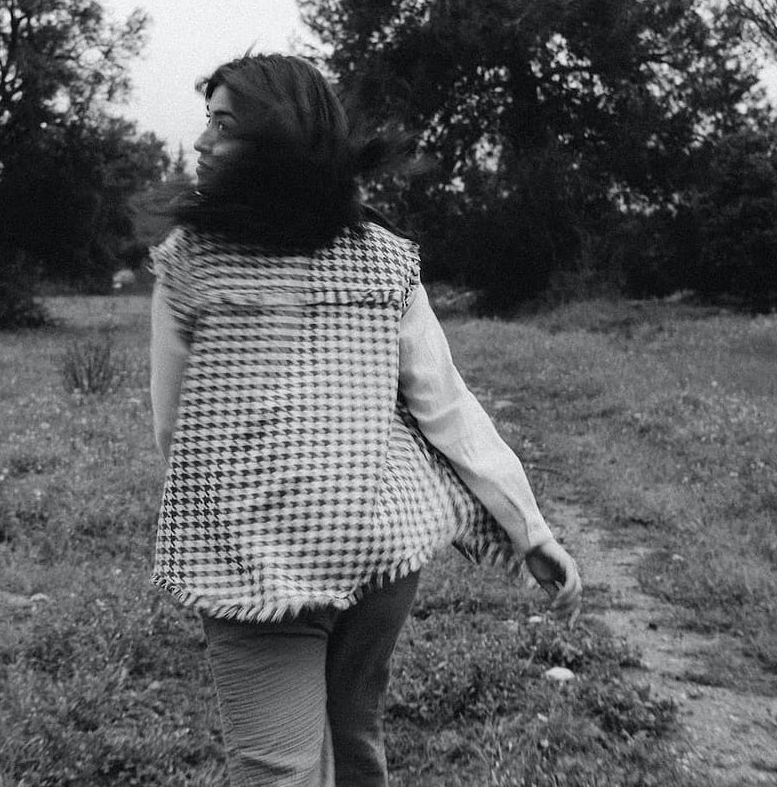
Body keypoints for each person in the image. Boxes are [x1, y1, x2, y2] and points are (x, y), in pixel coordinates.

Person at [148, 53, 581, 787]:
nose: (201, 142)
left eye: (222, 125)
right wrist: (529, 530)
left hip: (259, 561)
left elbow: (174, 431)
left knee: (276, 770)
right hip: (379, 550)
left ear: (275, 140)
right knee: (354, 740)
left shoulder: (192, 263)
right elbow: (446, 407)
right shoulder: (380, 258)